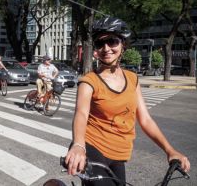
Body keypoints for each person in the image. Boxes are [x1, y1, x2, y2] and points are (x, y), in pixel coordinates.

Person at [64, 17, 190, 186]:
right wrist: (79, 145)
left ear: (123, 44)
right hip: (93, 147)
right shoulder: (89, 81)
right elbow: (81, 113)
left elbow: (145, 119)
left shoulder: (132, 78)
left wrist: (170, 150)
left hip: (119, 154)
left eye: (112, 41)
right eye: (100, 44)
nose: (106, 48)